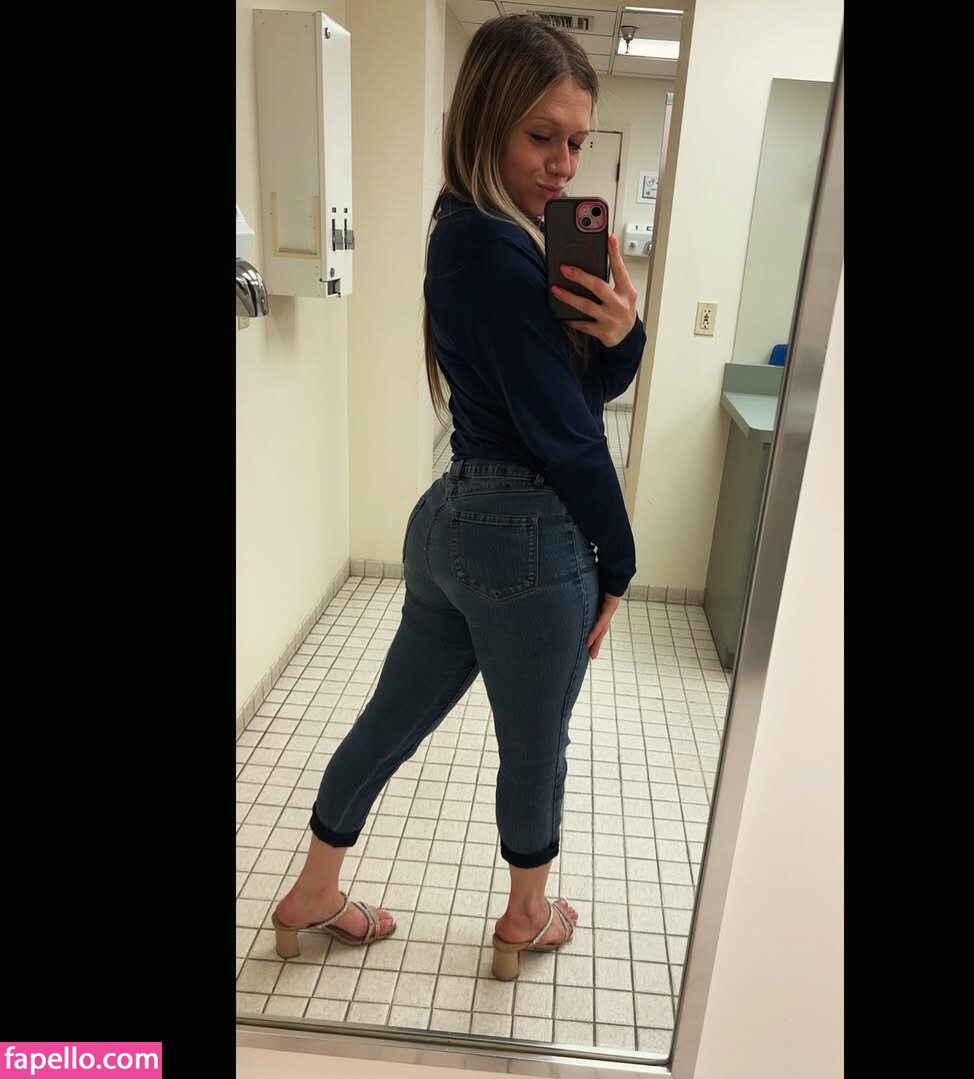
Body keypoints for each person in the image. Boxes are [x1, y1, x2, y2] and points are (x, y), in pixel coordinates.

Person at [271, 13, 645, 982]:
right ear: (485, 122)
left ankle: (313, 890)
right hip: (528, 541)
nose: (563, 163)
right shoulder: (499, 250)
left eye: (576, 141)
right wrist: (619, 559)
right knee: (535, 744)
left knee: (392, 715)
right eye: (541, 135)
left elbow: (561, 400)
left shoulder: (466, 233)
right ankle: (526, 914)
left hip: (452, 522)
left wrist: (621, 335)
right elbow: (570, 435)